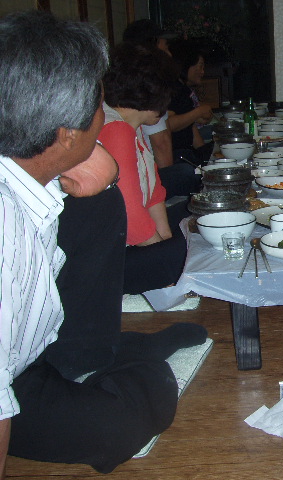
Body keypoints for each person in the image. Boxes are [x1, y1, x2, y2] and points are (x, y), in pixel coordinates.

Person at [0, 11, 207, 475]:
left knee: (99, 200)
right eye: (98, 102)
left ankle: (93, 355)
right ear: (65, 134)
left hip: (39, 351)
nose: (106, 109)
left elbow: (105, 175)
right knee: (132, 413)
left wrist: (101, 168)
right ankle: (121, 367)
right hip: (12, 382)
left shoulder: (25, 154)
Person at [99, 42, 189, 294]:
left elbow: (154, 194)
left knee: (190, 225)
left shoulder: (131, 126)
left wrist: (165, 244)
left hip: (125, 244)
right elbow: (130, 217)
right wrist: (163, 258)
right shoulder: (115, 130)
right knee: (192, 245)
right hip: (109, 260)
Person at [122, 19, 200, 199]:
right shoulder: (148, 85)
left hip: (145, 174)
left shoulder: (128, 79)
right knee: (186, 173)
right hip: (145, 179)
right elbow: (161, 143)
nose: (169, 53)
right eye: (165, 47)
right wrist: (170, 186)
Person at [167, 40, 215, 166]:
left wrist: (205, 154)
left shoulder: (184, 89)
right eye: (200, 66)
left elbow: (190, 127)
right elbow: (169, 123)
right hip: (177, 156)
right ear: (186, 65)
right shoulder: (173, 89)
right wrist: (198, 112)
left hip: (187, 152)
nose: (202, 72)